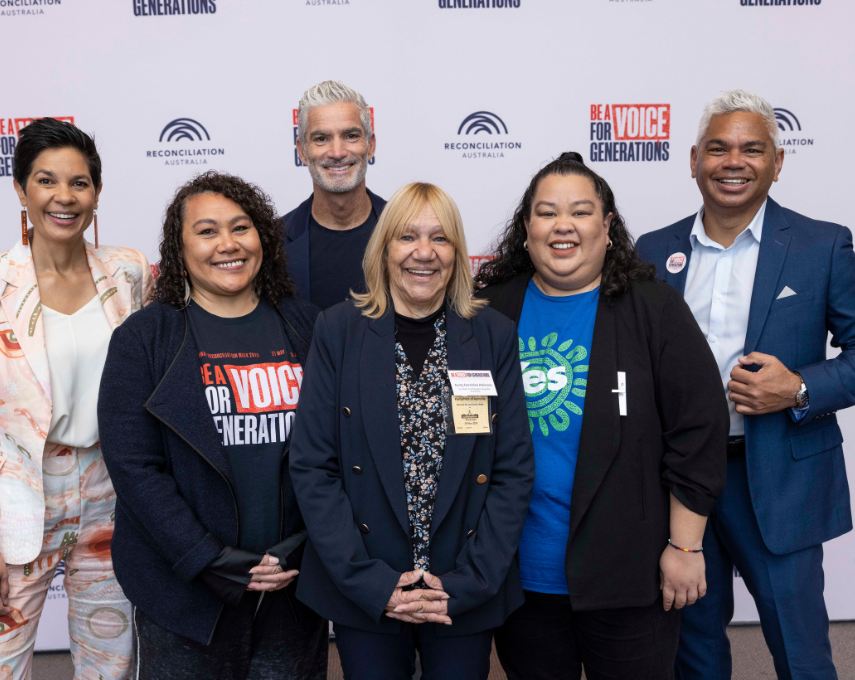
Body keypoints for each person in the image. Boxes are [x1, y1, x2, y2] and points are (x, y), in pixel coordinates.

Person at [475, 152, 728, 680]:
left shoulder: (653, 308)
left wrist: (686, 545)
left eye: (581, 211)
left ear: (607, 226)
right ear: (527, 228)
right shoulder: (490, 310)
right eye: (547, 212)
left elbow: (699, 430)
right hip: (518, 572)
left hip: (629, 572)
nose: (562, 225)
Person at [637, 90, 855, 680]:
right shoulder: (652, 250)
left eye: (752, 149)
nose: (733, 161)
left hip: (778, 479)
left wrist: (800, 389)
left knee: (802, 657)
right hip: (680, 484)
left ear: (777, 163)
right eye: (718, 148)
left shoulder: (822, 245)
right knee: (694, 655)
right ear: (693, 161)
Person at [289, 182, 534, 680]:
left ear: (457, 253)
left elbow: (512, 470)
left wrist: (470, 581)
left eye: (440, 238)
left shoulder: (492, 335)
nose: (424, 252)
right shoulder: (338, 331)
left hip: (462, 584)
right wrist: (371, 583)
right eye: (407, 237)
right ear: (384, 249)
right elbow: (313, 466)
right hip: (367, 581)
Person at [97, 171, 326, 680]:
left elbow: (340, 451)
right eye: (206, 231)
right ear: (180, 249)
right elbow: (134, 466)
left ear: (263, 238)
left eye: (241, 227)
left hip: (292, 591)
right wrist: (207, 558)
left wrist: (304, 546)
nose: (228, 244)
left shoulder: (309, 327)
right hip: (185, 597)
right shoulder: (145, 338)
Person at [0, 117, 151, 679]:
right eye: (46, 181)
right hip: (14, 505)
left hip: (112, 498)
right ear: (21, 190)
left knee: (111, 668)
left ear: (97, 192)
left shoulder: (130, 272)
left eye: (79, 182)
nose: (64, 197)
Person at [284, 80, 386, 310]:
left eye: (351, 135)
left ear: (370, 146)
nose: (337, 152)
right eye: (321, 139)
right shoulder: (272, 242)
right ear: (302, 151)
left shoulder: (406, 229)